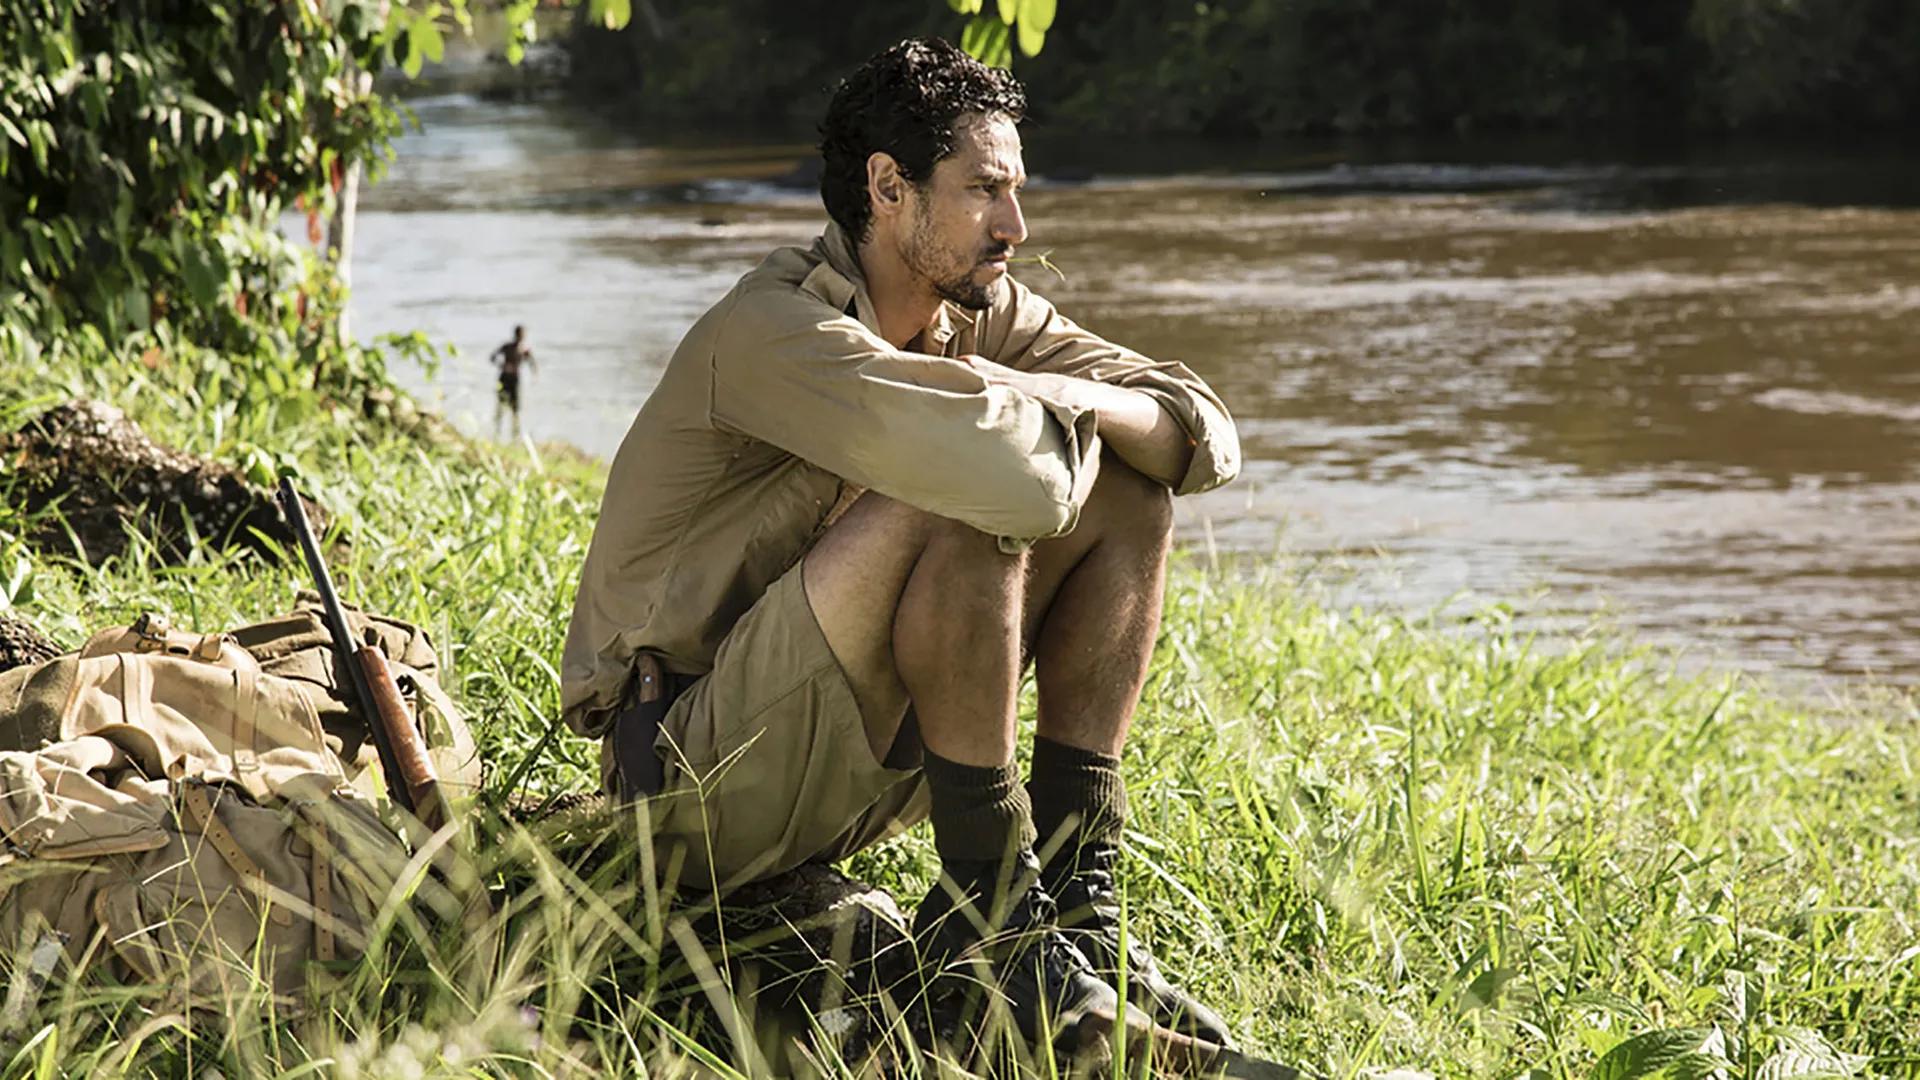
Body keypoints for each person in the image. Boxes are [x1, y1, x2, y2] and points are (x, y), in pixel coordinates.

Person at [560, 38, 1241, 1046]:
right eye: (984, 191)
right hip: (687, 779)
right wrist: (1021, 405)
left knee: (1134, 496)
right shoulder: (772, 329)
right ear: (888, 188)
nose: (1015, 225)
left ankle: (1078, 905)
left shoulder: (979, 312)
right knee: (963, 494)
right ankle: (992, 917)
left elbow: (1199, 433)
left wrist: (1052, 390)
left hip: (833, 760)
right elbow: (1019, 482)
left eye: (1016, 191)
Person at [490, 324, 535, 437]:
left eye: (522, 335)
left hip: (514, 379)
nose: (521, 337)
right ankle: (497, 432)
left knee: (515, 408)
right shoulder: (507, 347)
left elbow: (532, 364)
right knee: (501, 406)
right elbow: (492, 357)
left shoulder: (524, 349)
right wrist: (501, 365)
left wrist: (534, 377)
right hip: (504, 377)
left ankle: (515, 434)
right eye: (520, 334)